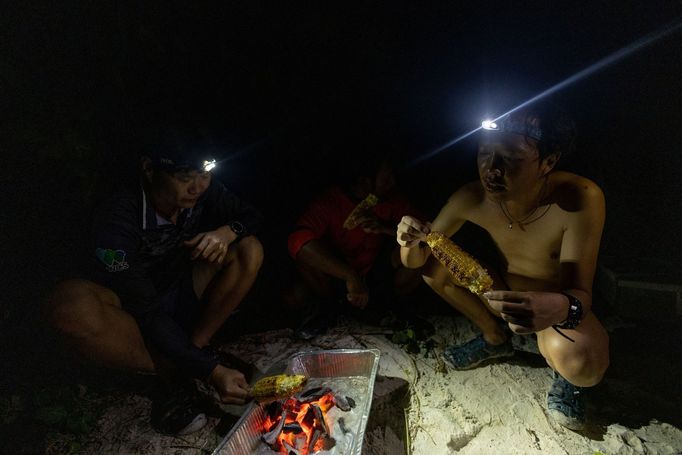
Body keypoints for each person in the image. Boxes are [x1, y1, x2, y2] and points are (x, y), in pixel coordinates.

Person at [396, 103, 609, 430]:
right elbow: (418, 260)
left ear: (548, 162)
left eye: (510, 158)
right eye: (484, 153)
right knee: (435, 271)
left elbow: (582, 293)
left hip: (555, 303)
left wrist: (558, 307)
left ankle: (569, 381)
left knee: (584, 361)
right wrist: (408, 241)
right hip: (504, 295)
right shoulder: (471, 197)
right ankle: (494, 338)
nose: (491, 169)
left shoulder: (579, 197)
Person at [45, 129, 264, 435]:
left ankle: (197, 348)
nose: (197, 186)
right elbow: (145, 308)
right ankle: (167, 376)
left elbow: (252, 214)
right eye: (184, 175)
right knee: (70, 305)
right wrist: (210, 371)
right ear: (149, 169)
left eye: (204, 173)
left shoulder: (200, 189)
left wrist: (228, 231)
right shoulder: (118, 215)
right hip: (130, 311)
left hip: (175, 286)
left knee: (247, 248)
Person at [287, 153, 423, 337]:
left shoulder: (392, 200)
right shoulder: (331, 201)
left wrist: (385, 228)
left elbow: (425, 231)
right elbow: (297, 240)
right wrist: (350, 276)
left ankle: (392, 307)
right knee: (296, 293)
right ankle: (331, 309)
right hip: (340, 273)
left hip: (377, 272)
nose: (392, 182)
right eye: (386, 177)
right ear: (365, 181)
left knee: (418, 251)